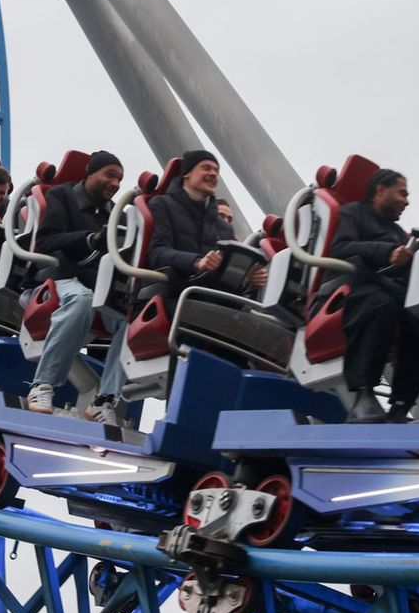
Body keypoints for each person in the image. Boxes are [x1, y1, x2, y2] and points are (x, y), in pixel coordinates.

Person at [91, 149, 264, 424]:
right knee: (197, 324)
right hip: (169, 293)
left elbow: (224, 272)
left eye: (216, 170)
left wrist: (248, 277)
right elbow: (156, 252)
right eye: (206, 168)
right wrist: (195, 262)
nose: (212, 174)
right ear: (187, 173)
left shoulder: (222, 226)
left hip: (207, 298)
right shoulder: (162, 206)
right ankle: (183, 420)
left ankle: (232, 421)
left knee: (245, 333)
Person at [330, 169, 419, 423]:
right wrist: (387, 253)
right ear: (380, 190)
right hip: (360, 287)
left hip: (394, 290)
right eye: (402, 193)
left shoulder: (399, 232)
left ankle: (401, 404)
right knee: (380, 305)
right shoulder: (352, 214)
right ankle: (363, 395)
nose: (406, 200)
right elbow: (341, 249)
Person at [22, 151, 127, 413]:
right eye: (110, 175)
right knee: (81, 300)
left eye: (120, 179)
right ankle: (42, 385)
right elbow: (46, 242)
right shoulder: (61, 196)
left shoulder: (114, 214)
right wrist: (89, 239)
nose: (115, 184)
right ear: (90, 173)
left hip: (93, 286)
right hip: (53, 280)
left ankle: (105, 400)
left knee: (131, 320)